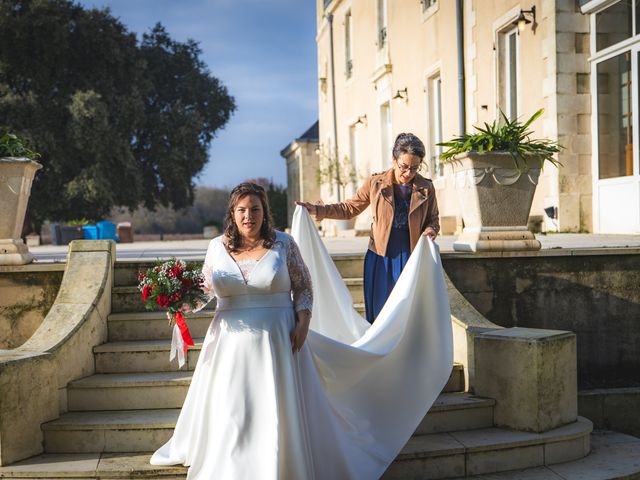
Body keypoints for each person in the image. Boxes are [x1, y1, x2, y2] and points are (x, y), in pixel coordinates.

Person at [150, 182, 453, 480]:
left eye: (254, 209)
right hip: (229, 345)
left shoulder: (284, 243)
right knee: (233, 409)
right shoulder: (216, 248)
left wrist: (303, 321)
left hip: (278, 339)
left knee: (275, 412)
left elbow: (304, 286)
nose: (248, 216)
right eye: (241, 210)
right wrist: (180, 301)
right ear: (232, 213)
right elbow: (206, 290)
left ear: (264, 212)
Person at [297, 132, 440, 323]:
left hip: (411, 256)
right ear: (394, 159)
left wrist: (431, 230)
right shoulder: (375, 183)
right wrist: (318, 210)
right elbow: (349, 208)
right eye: (404, 166)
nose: (408, 174)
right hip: (380, 256)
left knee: (407, 315)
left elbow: (433, 219)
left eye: (414, 168)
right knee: (380, 314)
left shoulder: (426, 187)